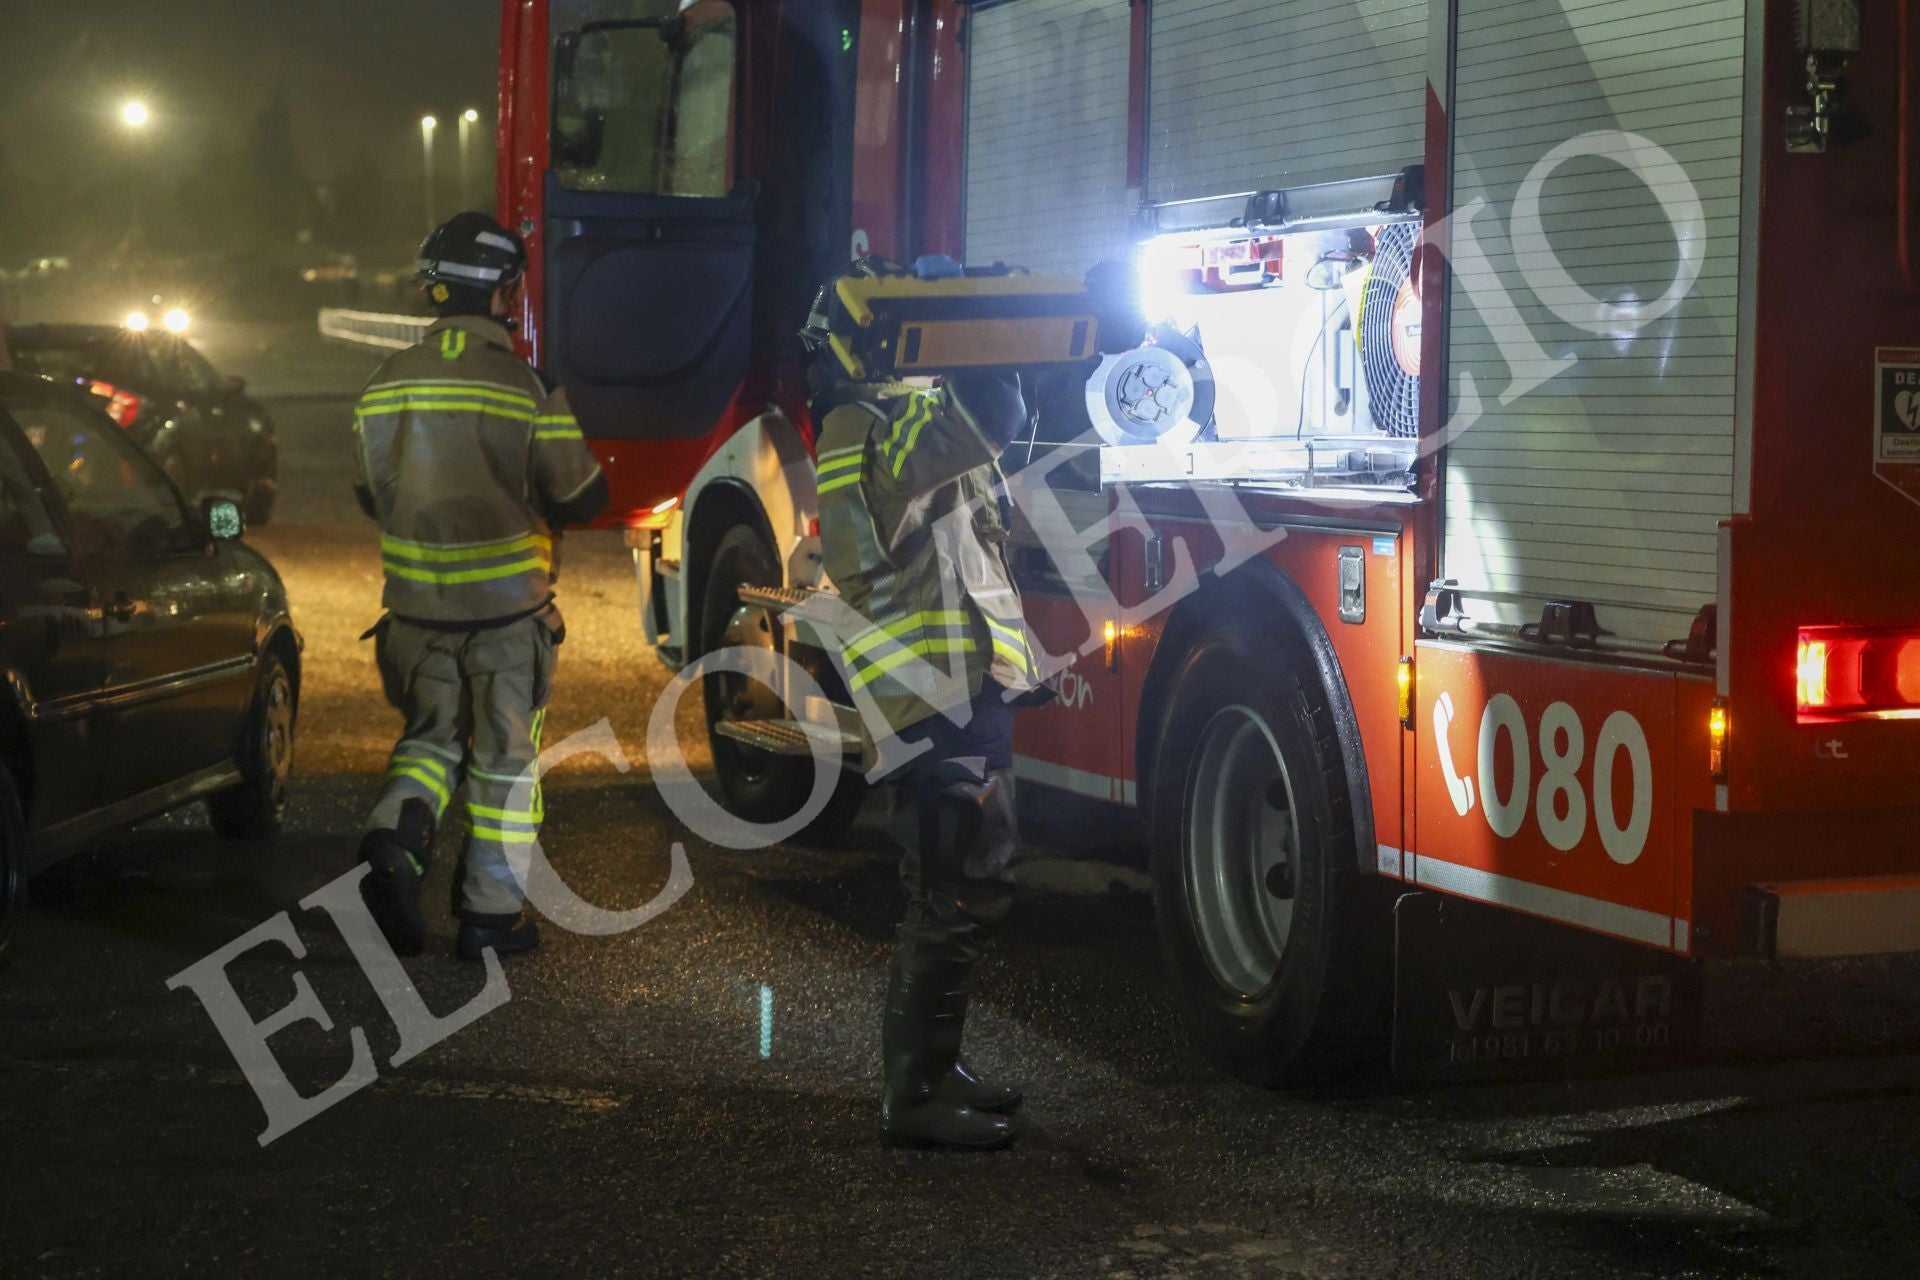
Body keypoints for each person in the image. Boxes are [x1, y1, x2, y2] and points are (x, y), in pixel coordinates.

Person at [802, 258, 1045, 1150]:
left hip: (951, 689)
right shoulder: (870, 423)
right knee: (947, 888)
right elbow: (997, 413)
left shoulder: (889, 419)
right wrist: (987, 323)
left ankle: (935, 1068)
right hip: (932, 697)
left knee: (961, 880)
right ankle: (915, 1095)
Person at [352, 212, 608, 962]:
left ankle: (393, 846)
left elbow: (372, 492)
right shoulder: (525, 386)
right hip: (505, 620)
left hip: (413, 613)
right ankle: (490, 919)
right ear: (505, 291)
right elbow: (579, 494)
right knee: (502, 762)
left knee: (429, 743)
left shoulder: (383, 383)